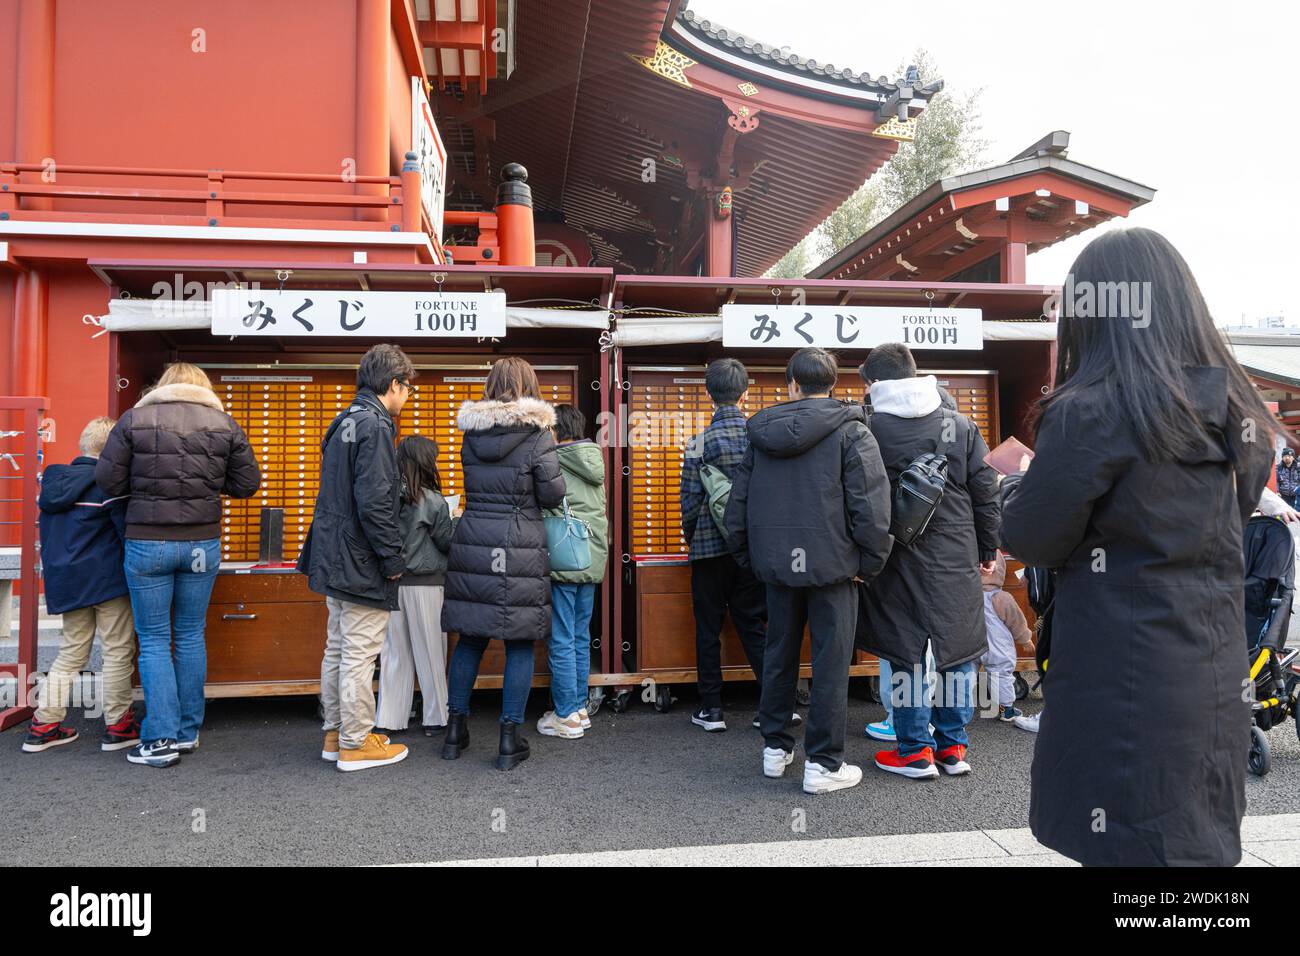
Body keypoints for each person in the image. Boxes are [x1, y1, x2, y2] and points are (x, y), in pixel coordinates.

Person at [1000, 227, 1273, 866]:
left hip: (1118, 677)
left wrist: (1015, 491)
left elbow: (1035, 537)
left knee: (1123, 847)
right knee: (1187, 850)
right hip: (1210, 669)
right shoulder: (1238, 413)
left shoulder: (1094, 410)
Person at [725, 347, 893, 794]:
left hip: (778, 569)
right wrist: (869, 564)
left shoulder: (759, 434)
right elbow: (871, 508)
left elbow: (736, 506)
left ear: (791, 385)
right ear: (833, 385)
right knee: (831, 663)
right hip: (836, 570)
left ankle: (775, 749)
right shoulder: (853, 433)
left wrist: (751, 559)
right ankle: (823, 763)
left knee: (778, 655)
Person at [96, 364, 260, 767]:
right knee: (189, 635)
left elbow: (108, 481)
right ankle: (187, 732)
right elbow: (247, 484)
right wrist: (207, 483)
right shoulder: (224, 424)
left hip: (148, 541)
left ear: (163, 387)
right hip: (201, 543)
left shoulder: (134, 419)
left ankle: (160, 738)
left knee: (153, 639)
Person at [858, 342, 1000, 781]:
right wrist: (988, 549)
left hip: (895, 555)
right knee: (956, 649)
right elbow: (986, 489)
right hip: (955, 553)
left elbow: (858, 496)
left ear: (876, 382)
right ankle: (953, 747)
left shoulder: (868, 427)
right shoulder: (959, 424)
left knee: (906, 651)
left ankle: (914, 752)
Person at [441, 357, 566, 770]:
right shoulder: (538, 436)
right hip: (519, 546)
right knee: (518, 642)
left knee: (471, 638)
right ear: (530, 386)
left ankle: (454, 732)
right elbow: (551, 494)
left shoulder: (471, 434)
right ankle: (509, 740)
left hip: (474, 541)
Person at [300, 344, 413, 772]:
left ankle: (335, 732)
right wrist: (392, 559)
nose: (408, 398)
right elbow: (375, 502)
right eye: (407, 389)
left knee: (338, 648)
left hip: (331, 556)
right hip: (361, 560)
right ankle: (355, 742)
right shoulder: (376, 426)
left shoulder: (343, 420)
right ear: (393, 384)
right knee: (360, 654)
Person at [23, 418, 137, 754]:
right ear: (113, 450)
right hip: (107, 581)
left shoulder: (53, 484)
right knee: (117, 651)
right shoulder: (108, 486)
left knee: (72, 652)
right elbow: (125, 535)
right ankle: (119, 726)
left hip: (67, 582)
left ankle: (44, 724)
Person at [680, 358, 777, 734]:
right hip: (751, 548)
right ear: (745, 392)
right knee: (753, 623)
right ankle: (772, 703)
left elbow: (689, 503)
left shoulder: (698, 444)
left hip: (709, 549)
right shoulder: (762, 438)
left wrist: (696, 542)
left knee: (708, 627)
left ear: (708, 394)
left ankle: (712, 710)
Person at [375, 436, 458, 736]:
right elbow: (447, 541)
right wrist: (457, 520)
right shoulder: (433, 501)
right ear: (426, 463)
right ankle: (436, 718)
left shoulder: (385, 498)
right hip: (427, 584)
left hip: (392, 585)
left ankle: (389, 718)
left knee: (395, 654)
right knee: (431, 653)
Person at [537, 404, 607, 739]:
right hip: (590, 561)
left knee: (562, 637)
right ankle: (578, 707)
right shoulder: (593, 459)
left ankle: (565, 715)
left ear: (555, 429)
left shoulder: (554, 461)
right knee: (579, 636)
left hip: (564, 560)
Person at [979, 551, 1034, 723]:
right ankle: (1006, 709)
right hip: (997, 646)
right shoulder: (1001, 597)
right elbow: (1016, 620)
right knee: (1001, 674)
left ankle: (957, 711)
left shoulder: (967, 597)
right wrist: (1025, 639)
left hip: (970, 643)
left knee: (965, 674)